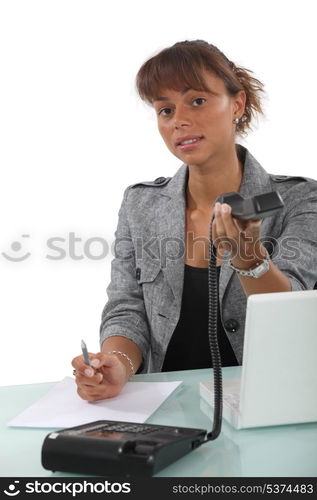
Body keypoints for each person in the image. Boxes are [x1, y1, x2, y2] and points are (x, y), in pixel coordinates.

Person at [72, 40, 317, 401]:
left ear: (237, 103)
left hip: (268, 403)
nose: (180, 120)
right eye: (165, 109)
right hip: (164, 407)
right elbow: (126, 306)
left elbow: (294, 317)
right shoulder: (140, 204)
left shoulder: (299, 199)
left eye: (197, 101)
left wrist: (249, 259)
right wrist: (118, 363)